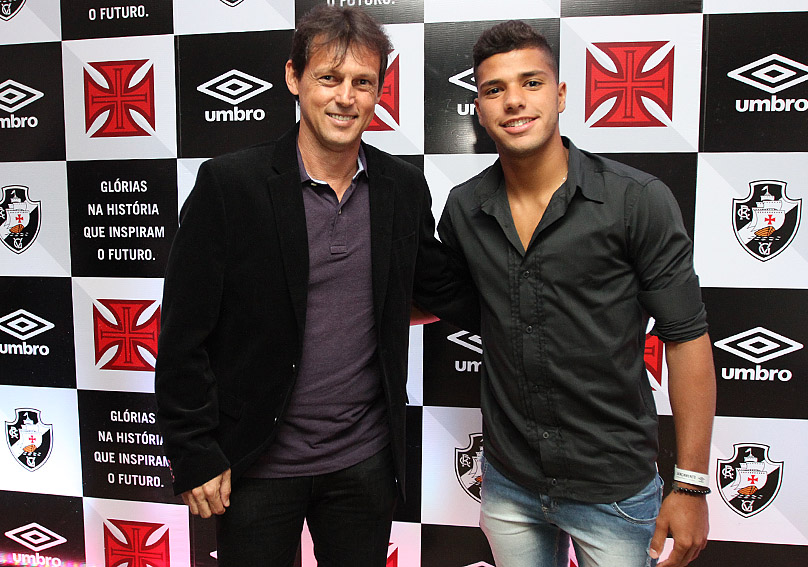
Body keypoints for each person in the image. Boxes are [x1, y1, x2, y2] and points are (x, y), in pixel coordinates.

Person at [154, 6, 465, 566]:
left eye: (362, 82)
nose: (346, 97)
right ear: (294, 78)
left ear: (379, 92)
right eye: (329, 78)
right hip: (255, 465)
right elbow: (182, 333)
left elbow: (438, 286)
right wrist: (193, 450)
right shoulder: (230, 185)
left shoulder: (402, 187)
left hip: (364, 462)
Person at [436, 20, 717, 567]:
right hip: (509, 482)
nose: (514, 101)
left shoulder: (636, 200)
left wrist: (690, 485)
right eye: (494, 89)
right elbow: (442, 298)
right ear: (480, 109)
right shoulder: (464, 209)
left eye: (531, 82)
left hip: (614, 490)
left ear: (561, 94)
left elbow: (686, 339)